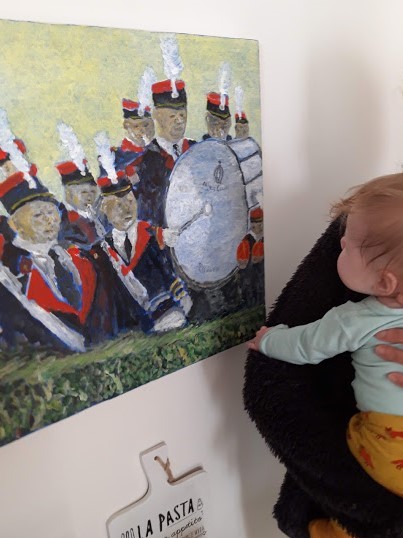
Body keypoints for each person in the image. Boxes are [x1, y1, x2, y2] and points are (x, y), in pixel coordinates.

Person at [249, 173, 403, 537]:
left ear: (385, 283)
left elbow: (307, 345)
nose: (342, 242)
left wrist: (269, 340)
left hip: (385, 441)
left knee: (366, 507)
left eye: (349, 247)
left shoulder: (357, 319)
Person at [96, 134, 192, 333]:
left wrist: (181, 296)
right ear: (104, 209)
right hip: (129, 324)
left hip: (165, 311)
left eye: (130, 202)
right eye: (118, 206)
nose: (126, 210)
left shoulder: (150, 234)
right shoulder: (103, 249)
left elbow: (167, 270)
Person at [134, 78, 196, 227]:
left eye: (182, 115)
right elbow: (145, 213)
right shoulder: (145, 160)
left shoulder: (197, 150)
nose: (179, 121)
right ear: (157, 115)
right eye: (172, 116)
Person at [237, 206, 264, 307]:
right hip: (250, 279)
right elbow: (242, 264)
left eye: (259, 222)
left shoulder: (263, 239)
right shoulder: (246, 241)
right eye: (254, 222)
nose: (257, 225)